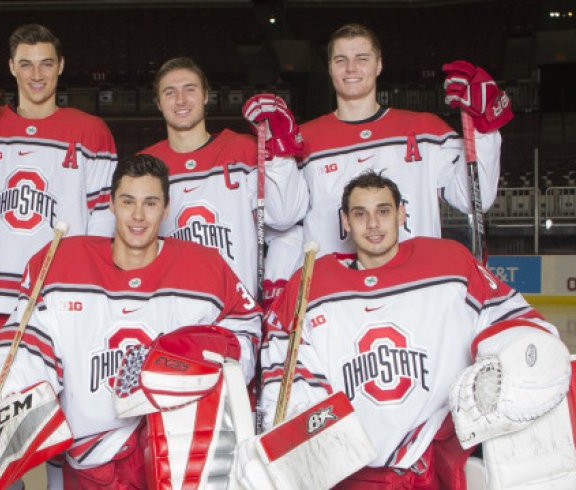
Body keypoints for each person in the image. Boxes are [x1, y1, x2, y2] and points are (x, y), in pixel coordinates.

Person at [253, 171, 569, 487]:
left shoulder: (449, 264)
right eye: (360, 214)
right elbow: (283, 365)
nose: (373, 224)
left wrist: (518, 355)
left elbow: (515, 321)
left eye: (384, 211)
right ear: (345, 222)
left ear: (402, 214)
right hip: (350, 467)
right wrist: (305, 421)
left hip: (435, 453)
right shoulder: (311, 284)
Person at [0, 154, 261, 488]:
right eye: (128, 202)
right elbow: (24, 348)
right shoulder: (61, 262)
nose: (138, 216)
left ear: (167, 208)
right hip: (88, 461)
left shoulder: (206, 269)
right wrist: (10, 411)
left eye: (150, 203)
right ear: (111, 204)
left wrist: (198, 354)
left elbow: (245, 336)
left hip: (172, 458)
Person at [244, 23, 512, 258]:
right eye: (340, 60)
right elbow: (282, 218)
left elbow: (474, 199)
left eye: (362, 58)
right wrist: (278, 155)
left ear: (379, 64)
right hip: (336, 295)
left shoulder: (425, 129)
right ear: (329, 68)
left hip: (414, 285)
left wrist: (483, 132)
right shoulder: (303, 139)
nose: (351, 68)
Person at [0, 24, 117, 332]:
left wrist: (89, 289)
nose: (37, 75)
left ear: (61, 66)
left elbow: (103, 225)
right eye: (26, 64)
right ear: (11, 67)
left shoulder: (91, 131)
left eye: (46, 63)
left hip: (62, 296)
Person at [139, 57, 308, 294]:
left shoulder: (243, 149)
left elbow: (284, 217)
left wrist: (278, 152)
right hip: (173, 309)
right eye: (170, 93)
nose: (181, 100)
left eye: (190, 89)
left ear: (206, 95)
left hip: (238, 313)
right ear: (158, 102)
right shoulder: (145, 165)